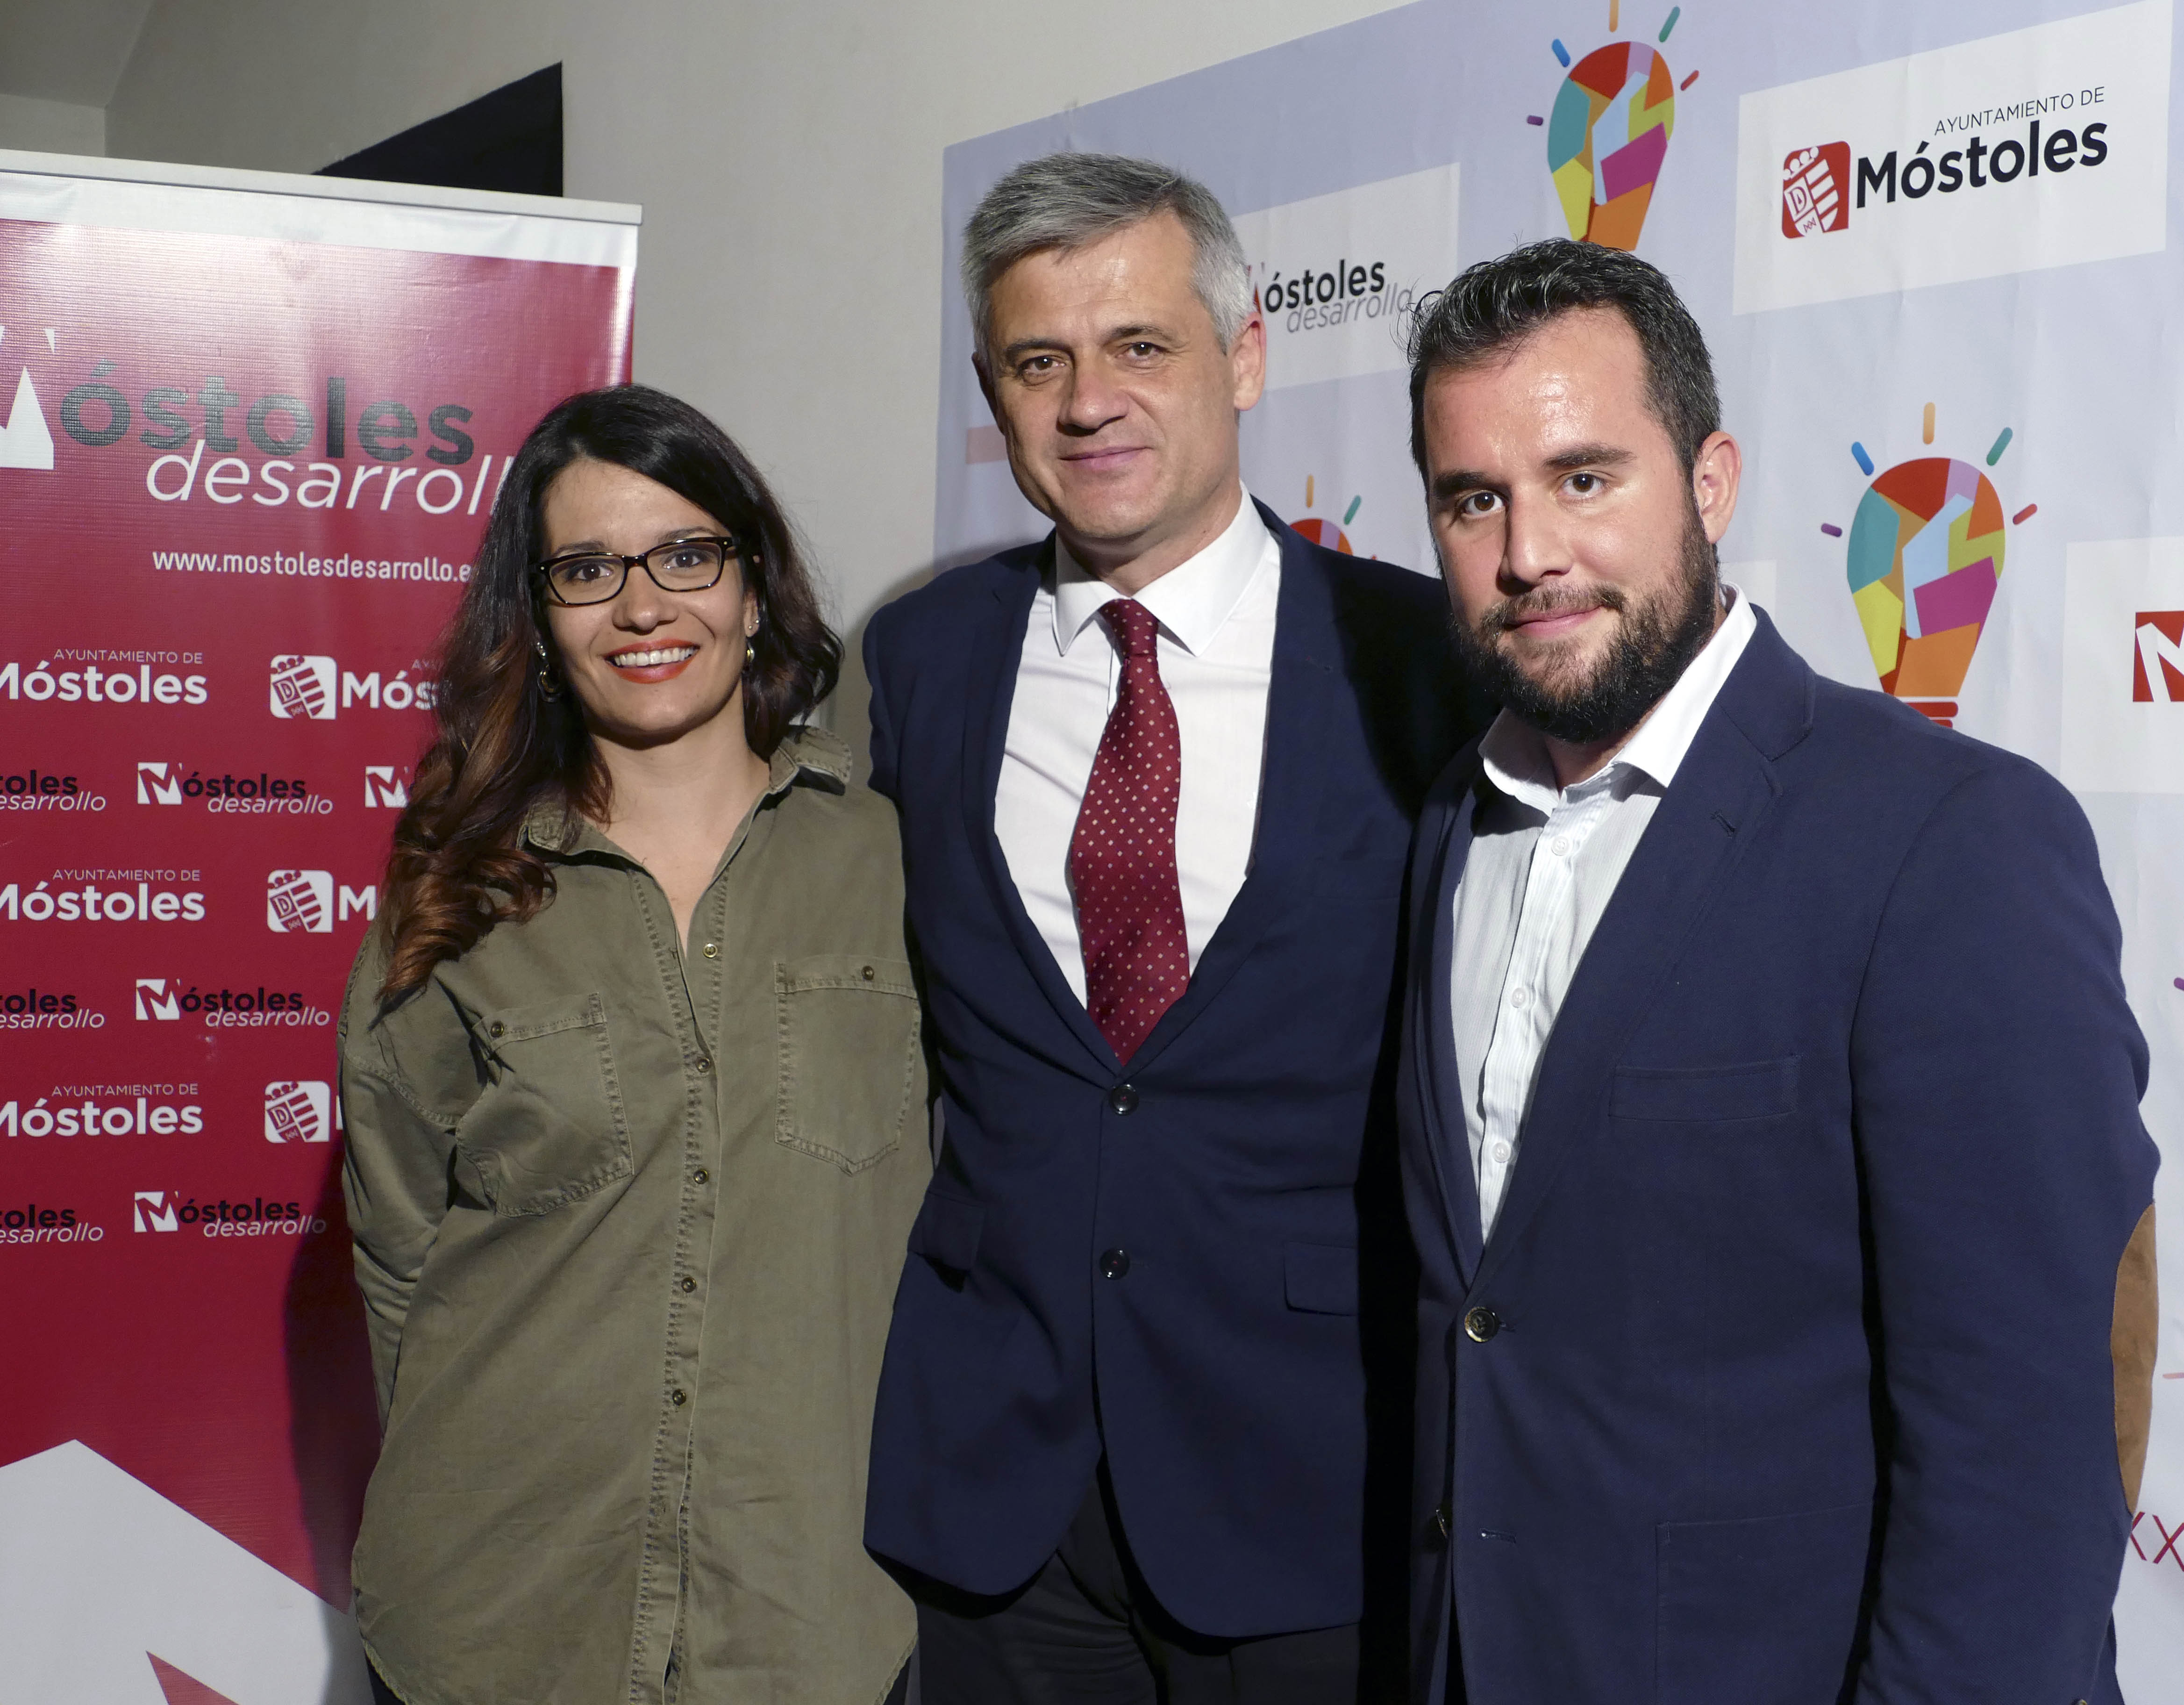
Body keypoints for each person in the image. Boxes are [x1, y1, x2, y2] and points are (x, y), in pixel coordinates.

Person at [1394, 240, 2159, 1703]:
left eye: (1584, 478)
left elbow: (2025, 1450)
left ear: (1712, 481)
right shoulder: (1449, 820)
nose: (1529, 552)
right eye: (1473, 499)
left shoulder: (1949, 839)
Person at [861, 152, 1477, 1701]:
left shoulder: (1422, 660)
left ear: (1244, 356)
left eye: (1140, 345)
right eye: (1039, 363)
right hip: (994, 1493)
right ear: (995, 396)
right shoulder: (920, 660)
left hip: (1312, 1482)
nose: (1091, 403)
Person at [339, 385, 927, 1705]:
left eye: (686, 555)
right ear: (541, 622)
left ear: (754, 588)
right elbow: (400, 1259)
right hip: (501, 1620)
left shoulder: (892, 863)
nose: (644, 607)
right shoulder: (456, 893)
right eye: (588, 570)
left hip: (804, 1618)